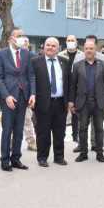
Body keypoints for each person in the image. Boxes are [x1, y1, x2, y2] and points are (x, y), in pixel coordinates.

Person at [0, 27, 36, 171]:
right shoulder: (1, 54)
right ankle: (5, 160)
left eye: (23, 35)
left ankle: (16, 158)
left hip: (23, 96)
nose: (22, 38)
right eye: (19, 35)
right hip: (9, 98)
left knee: (19, 130)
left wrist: (32, 94)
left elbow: (31, 75)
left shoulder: (27, 54)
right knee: (7, 130)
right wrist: (6, 96)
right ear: (11, 38)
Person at [69, 40, 104, 163]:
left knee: (99, 128)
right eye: (86, 48)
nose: (89, 50)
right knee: (82, 129)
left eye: (91, 48)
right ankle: (83, 153)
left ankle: (100, 153)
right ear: (84, 50)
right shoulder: (78, 65)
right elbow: (73, 86)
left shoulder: (103, 65)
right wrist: (71, 102)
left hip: (99, 102)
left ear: (95, 50)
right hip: (83, 103)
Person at [31, 37, 70, 167]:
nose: (50, 48)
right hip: (43, 103)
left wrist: (69, 101)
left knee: (60, 132)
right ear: (43, 46)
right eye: (48, 45)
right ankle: (42, 157)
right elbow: (31, 82)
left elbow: (68, 83)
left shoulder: (64, 61)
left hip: (60, 103)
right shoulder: (35, 62)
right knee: (43, 132)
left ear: (58, 48)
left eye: (53, 46)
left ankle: (59, 157)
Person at [58, 35, 85, 145]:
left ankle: (75, 135)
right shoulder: (60, 55)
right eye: (68, 40)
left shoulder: (82, 55)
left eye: (72, 40)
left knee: (76, 113)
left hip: (78, 86)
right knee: (63, 113)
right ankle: (61, 135)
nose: (70, 42)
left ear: (76, 42)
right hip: (64, 86)